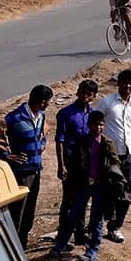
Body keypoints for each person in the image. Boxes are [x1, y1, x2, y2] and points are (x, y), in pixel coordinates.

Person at [48, 111, 121, 261]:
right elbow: (74, 164)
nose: (98, 128)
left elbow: (115, 164)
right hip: (82, 184)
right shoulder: (81, 142)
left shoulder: (107, 144)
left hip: (101, 186)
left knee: (96, 219)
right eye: (95, 125)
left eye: (101, 125)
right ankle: (60, 246)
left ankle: (92, 249)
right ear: (89, 125)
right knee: (72, 216)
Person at [0, 85, 52, 248]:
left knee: (29, 213)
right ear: (42, 102)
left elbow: (45, 131)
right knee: (17, 212)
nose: (48, 105)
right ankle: (10, 247)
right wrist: (6, 155)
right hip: (20, 174)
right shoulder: (14, 117)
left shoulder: (41, 116)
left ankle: (22, 246)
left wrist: (41, 144)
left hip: (36, 171)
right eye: (47, 102)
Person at [94, 70, 131, 244]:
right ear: (118, 83)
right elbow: (94, 122)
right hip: (109, 156)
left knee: (126, 191)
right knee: (108, 189)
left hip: (129, 153)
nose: (128, 86)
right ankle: (100, 225)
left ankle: (116, 227)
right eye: (125, 82)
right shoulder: (107, 103)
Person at [55, 80, 99, 249]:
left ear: (93, 96)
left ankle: (80, 234)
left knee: (84, 198)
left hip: (86, 164)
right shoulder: (66, 113)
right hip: (70, 162)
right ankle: (63, 237)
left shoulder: (93, 114)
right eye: (82, 92)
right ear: (77, 92)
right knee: (68, 201)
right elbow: (59, 140)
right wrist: (61, 166)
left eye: (89, 94)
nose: (84, 97)